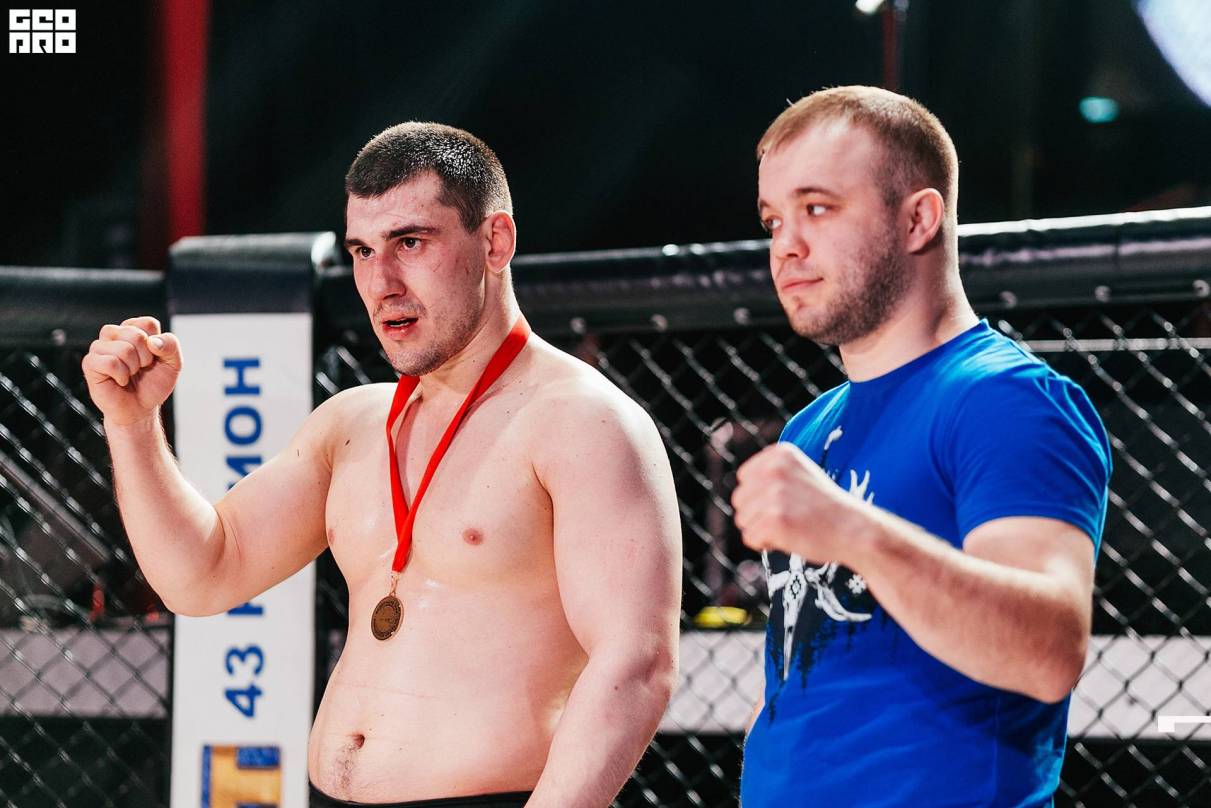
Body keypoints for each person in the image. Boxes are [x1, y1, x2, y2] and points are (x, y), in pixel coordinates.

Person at [82, 122, 682, 808]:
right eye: (363, 251)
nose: (381, 282)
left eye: (410, 243)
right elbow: (202, 576)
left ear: (495, 242)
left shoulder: (582, 421)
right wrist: (131, 424)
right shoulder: (352, 426)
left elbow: (637, 664)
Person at [732, 86, 1111, 806]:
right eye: (773, 219)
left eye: (818, 208)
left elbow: (1047, 651)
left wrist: (851, 528)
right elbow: (805, 686)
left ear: (917, 219)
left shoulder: (1006, 399)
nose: (786, 244)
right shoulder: (809, 428)